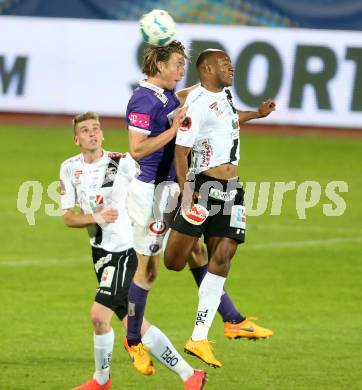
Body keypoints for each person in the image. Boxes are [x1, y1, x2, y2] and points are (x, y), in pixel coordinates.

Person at [125, 41, 272, 368]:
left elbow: (215, 105)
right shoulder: (143, 98)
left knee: (213, 252)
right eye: (177, 63)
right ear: (160, 66)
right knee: (152, 270)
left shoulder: (175, 96)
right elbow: (140, 150)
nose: (182, 70)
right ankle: (133, 339)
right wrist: (185, 182)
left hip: (198, 187)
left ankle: (226, 322)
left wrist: (255, 113)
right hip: (153, 191)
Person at [60, 112, 207, 390]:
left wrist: (177, 192)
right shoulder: (69, 168)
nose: (92, 133)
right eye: (86, 130)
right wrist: (96, 218)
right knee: (134, 323)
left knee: (98, 315)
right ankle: (190, 375)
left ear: (102, 135)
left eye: (96, 129)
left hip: (126, 251)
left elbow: (153, 184)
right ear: (77, 139)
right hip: (100, 254)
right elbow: (68, 217)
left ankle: (101, 381)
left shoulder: (122, 163)